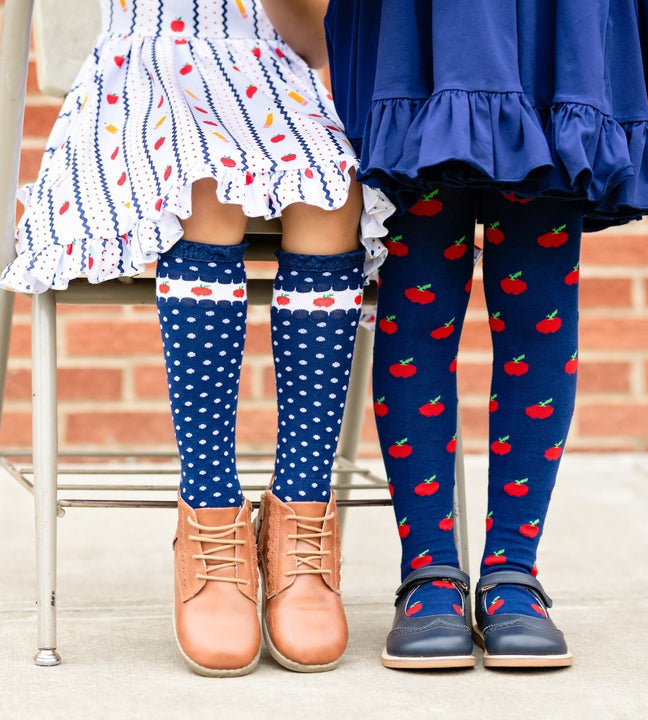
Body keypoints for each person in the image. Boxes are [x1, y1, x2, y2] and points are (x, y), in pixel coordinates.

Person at [324, 0, 648, 669]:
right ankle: (430, 574)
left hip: (551, 21)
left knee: (538, 309)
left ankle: (513, 571)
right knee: (417, 304)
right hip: (421, 23)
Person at [1, 0, 392, 676]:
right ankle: (209, 512)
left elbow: (311, 42)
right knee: (206, 188)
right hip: (145, 74)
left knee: (335, 196)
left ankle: (300, 514)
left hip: (269, 79)